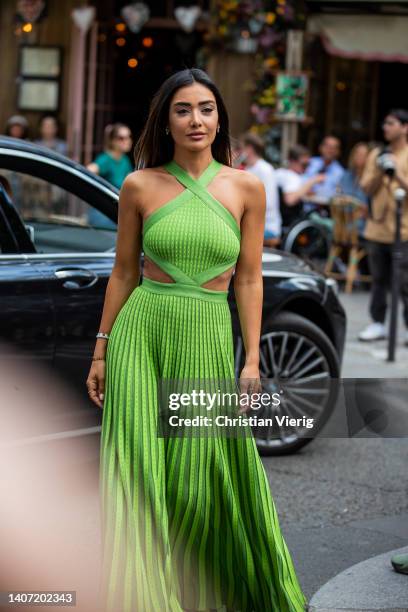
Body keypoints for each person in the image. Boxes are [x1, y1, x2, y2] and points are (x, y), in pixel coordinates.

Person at [86, 68, 307, 612]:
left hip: (207, 335)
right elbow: (122, 274)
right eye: (183, 109)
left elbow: (251, 279)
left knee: (193, 482)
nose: (196, 120)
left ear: (219, 118)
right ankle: (140, 597)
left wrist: (253, 359)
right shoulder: (139, 185)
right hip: (142, 332)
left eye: (206, 108)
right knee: (136, 473)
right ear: (165, 120)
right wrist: (101, 348)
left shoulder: (246, 186)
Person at [358, 109, 408, 345]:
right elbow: (365, 187)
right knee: (378, 279)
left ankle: (406, 326)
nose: (385, 127)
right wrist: (380, 170)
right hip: (376, 228)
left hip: (404, 230)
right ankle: (377, 323)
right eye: (385, 123)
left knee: (405, 282)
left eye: (391, 123)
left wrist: (396, 173)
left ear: (404, 127)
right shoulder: (376, 154)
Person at [86, 123, 133, 229]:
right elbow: (88, 171)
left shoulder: (125, 160)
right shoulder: (106, 159)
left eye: (129, 137)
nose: (127, 140)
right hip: (102, 214)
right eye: (121, 138)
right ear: (113, 141)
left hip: (117, 211)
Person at [240, 132, 282, 247]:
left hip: (267, 226)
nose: (239, 152)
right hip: (250, 224)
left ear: (249, 149)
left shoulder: (265, 169)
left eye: (242, 148)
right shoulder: (248, 169)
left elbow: (269, 202)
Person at [276, 144, 325, 226]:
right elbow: (290, 200)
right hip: (289, 222)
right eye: (304, 165)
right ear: (292, 161)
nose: (307, 168)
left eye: (308, 165)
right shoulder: (293, 177)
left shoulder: (280, 172)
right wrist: (313, 181)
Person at [303, 135, 345, 212]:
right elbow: (299, 180)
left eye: (334, 148)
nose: (330, 150)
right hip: (304, 208)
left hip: (326, 212)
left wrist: (317, 192)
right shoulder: (310, 163)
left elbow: (339, 194)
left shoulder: (341, 173)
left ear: (338, 152)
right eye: (327, 146)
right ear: (321, 147)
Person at [337, 142, 370, 236]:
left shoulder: (371, 180)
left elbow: (370, 211)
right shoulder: (346, 175)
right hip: (342, 218)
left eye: (363, 155)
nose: (359, 157)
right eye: (357, 153)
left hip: (362, 223)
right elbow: (338, 197)